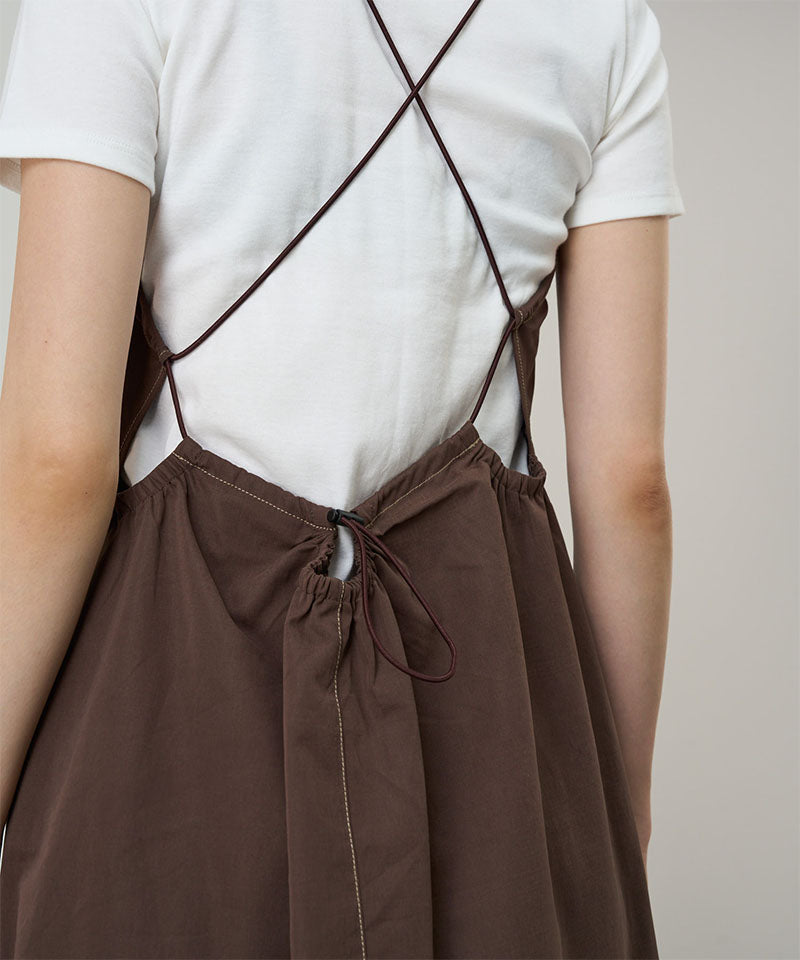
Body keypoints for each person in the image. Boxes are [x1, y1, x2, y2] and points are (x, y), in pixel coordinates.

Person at [0, 1, 683, 956]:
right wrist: (616, 808)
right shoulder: (603, 24)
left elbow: (54, 459)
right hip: (492, 713)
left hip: (170, 700)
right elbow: (629, 482)